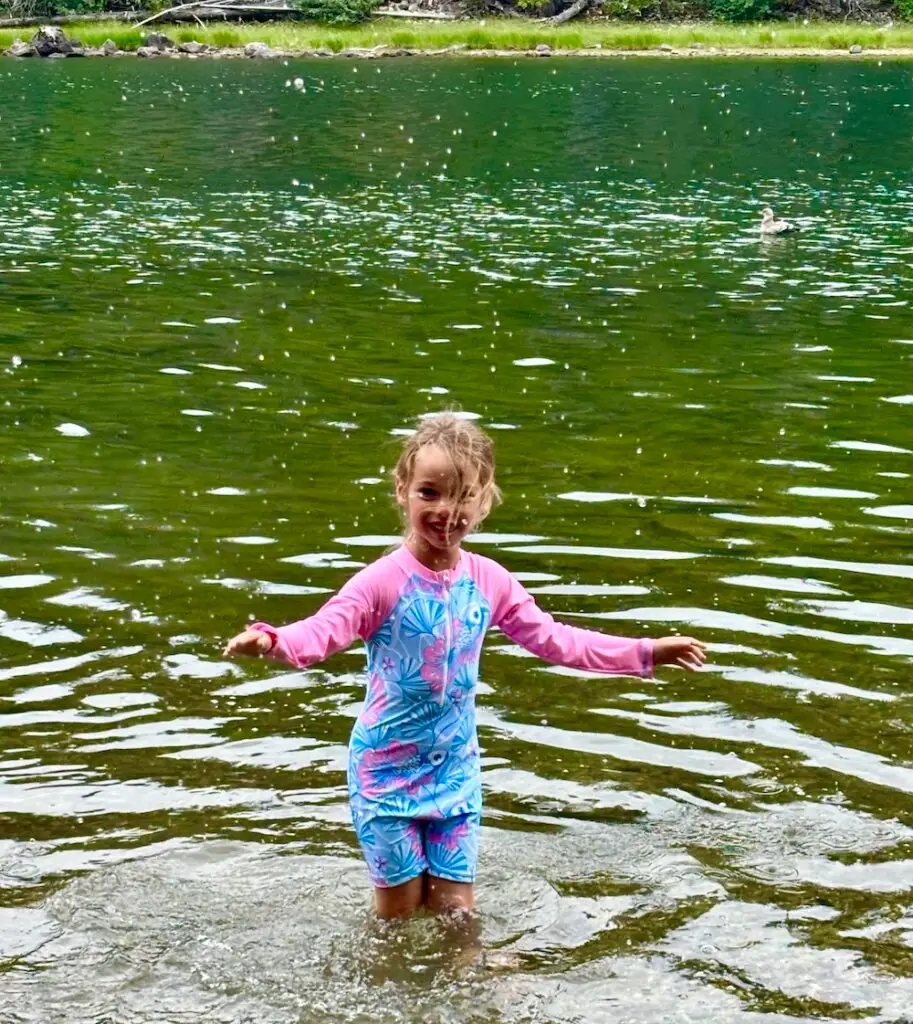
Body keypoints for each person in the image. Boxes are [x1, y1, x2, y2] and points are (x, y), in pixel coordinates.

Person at [224, 413, 706, 921]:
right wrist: (274, 640)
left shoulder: (489, 580)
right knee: (399, 911)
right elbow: (325, 629)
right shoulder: (381, 582)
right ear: (402, 490)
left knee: (458, 912)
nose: (446, 511)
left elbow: (557, 641)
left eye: (463, 496)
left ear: (484, 499)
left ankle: (473, 970)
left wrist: (645, 653)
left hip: (455, 770)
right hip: (384, 772)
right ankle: (393, 972)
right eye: (429, 493)